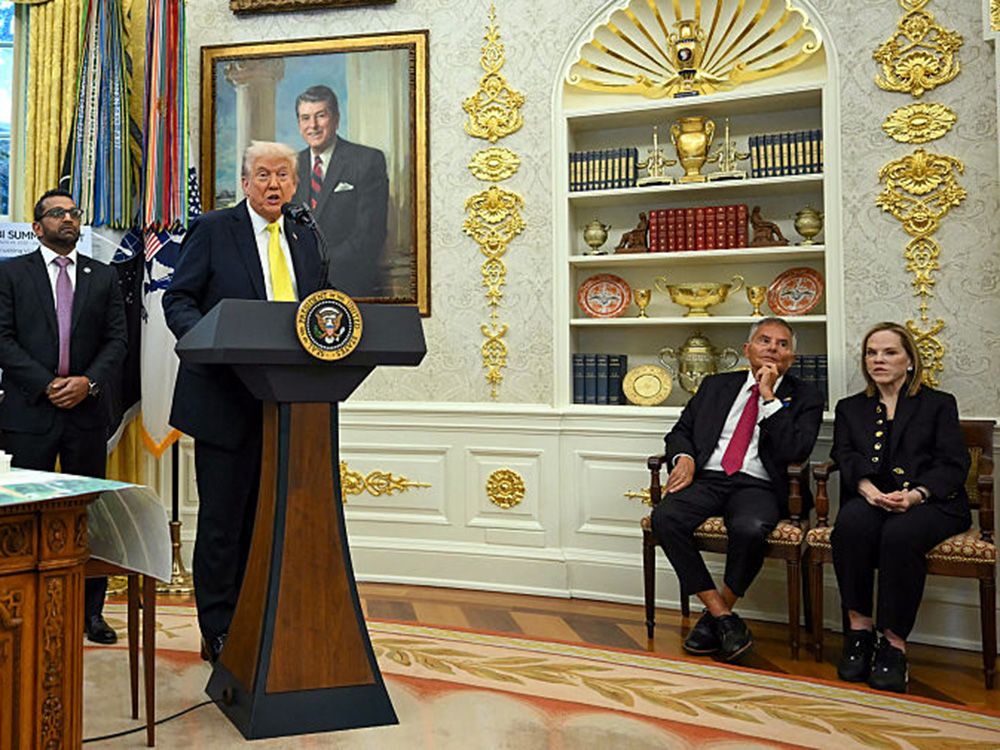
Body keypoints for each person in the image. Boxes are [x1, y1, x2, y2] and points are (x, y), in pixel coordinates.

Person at [163, 141, 325, 662]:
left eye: (283, 175)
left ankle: (263, 622)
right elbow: (178, 298)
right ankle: (219, 631)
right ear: (246, 182)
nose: (274, 184)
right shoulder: (214, 229)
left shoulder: (305, 235)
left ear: (295, 183)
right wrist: (208, 341)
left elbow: (320, 305)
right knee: (223, 525)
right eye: (263, 175)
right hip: (224, 399)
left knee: (270, 522)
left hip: (289, 404)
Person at [651, 317, 823, 661]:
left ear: (791, 358)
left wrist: (769, 397)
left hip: (759, 484)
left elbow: (795, 450)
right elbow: (680, 431)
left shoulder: (807, 396)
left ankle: (714, 618)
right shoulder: (716, 385)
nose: (773, 348)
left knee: (750, 528)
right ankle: (723, 616)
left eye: (783, 344)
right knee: (665, 518)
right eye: (764, 340)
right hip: (709, 479)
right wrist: (685, 458)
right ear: (747, 349)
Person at [0, 188, 127, 644]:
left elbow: (117, 341)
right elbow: (3, 338)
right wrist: (46, 384)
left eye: (73, 212)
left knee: (89, 516)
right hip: (29, 414)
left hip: (86, 414)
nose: (68, 219)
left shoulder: (103, 276)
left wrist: (86, 383)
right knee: (22, 515)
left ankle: (90, 613)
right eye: (57, 213)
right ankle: (18, 605)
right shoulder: (11, 273)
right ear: (37, 227)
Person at [830, 322, 970, 693]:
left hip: (933, 502)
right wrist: (868, 491)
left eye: (889, 352)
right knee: (850, 525)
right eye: (871, 353)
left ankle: (893, 645)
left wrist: (915, 495)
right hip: (873, 497)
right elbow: (844, 454)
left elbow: (953, 464)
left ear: (909, 360)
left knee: (899, 534)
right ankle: (859, 632)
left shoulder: (938, 404)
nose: (878, 359)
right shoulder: (850, 408)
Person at [292, 84, 389, 298]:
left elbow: (370, 235)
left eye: (321, 116)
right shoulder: (290, 166)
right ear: (299, 124)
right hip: (298, 288)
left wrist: (319, 265)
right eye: (305, 118)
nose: (313, 125)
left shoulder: (367, 161)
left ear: (336, 119)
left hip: (350, 287)